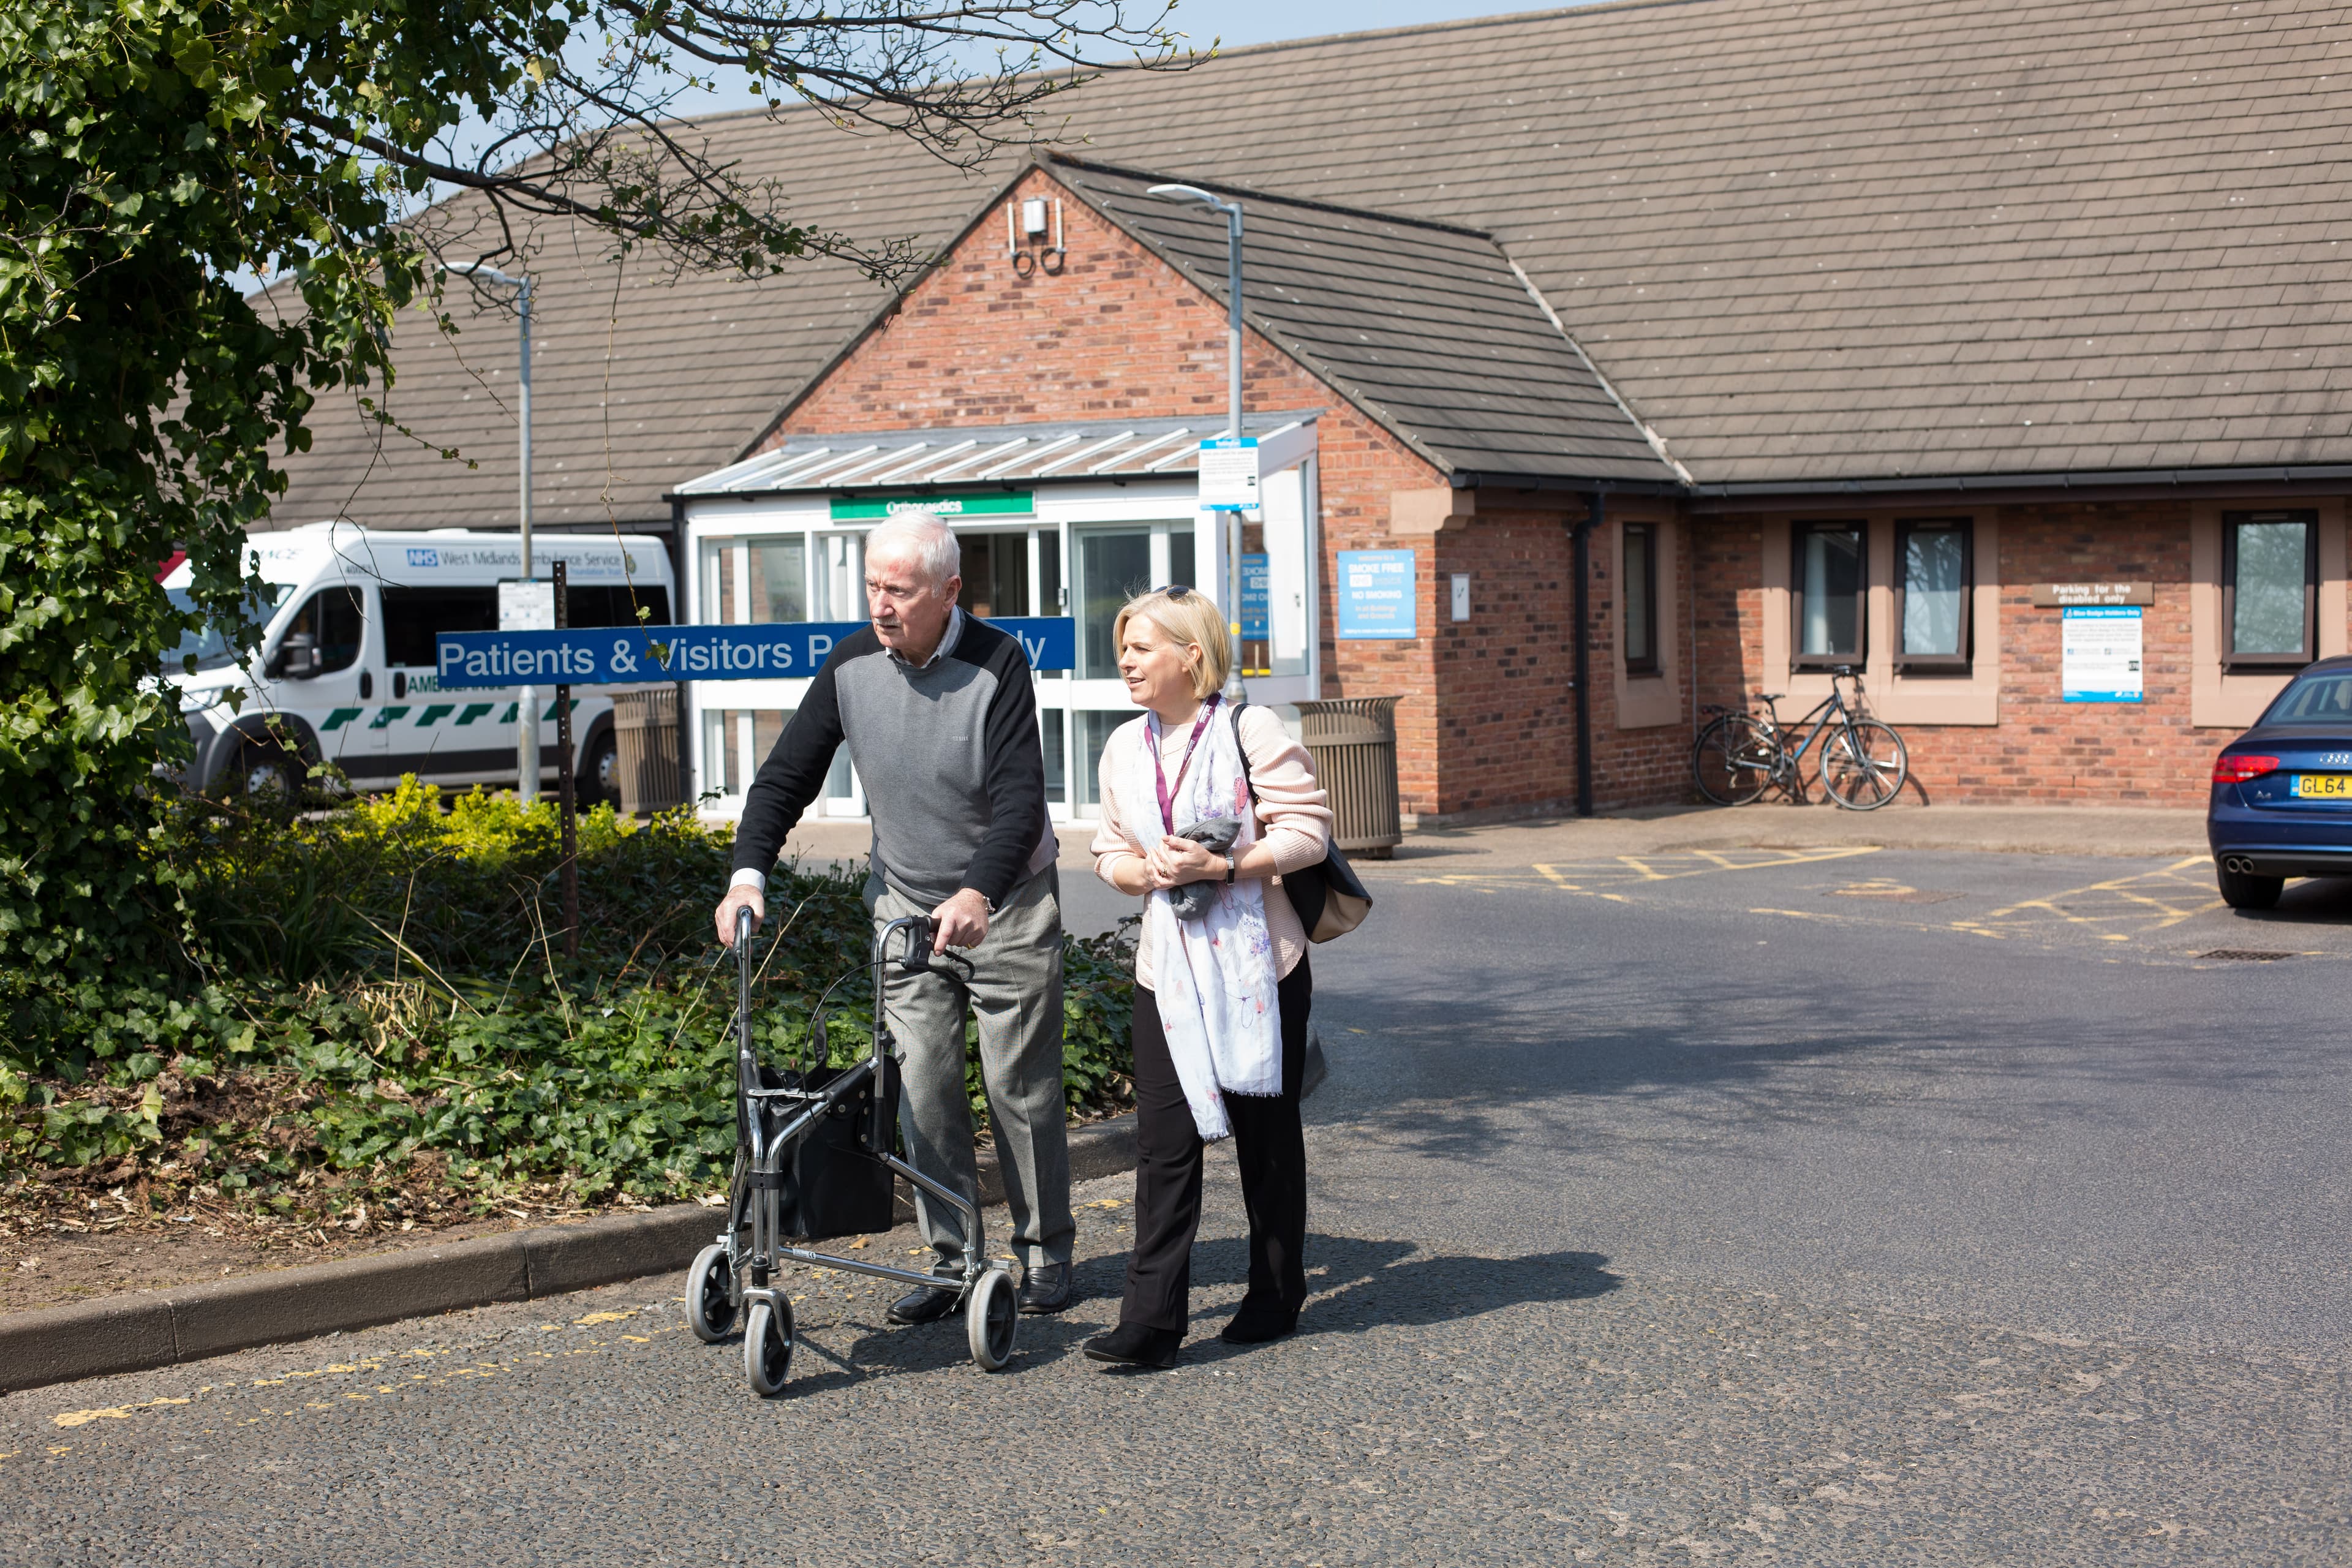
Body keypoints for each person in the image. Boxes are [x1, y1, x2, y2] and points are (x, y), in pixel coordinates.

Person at [712, 511, 1075, 1320]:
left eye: (900, 591)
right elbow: (784, 778)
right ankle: (955, 1262)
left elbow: (1020, 804)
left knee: (1018, 1086)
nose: (882, 604)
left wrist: (980, 891)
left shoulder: (998, 665)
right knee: (922, 1088)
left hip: (1005, 903)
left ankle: (1047, 1249)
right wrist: (746, 876)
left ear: (949, 592)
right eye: (874, 586)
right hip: (907, 904)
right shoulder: (850, 666)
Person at [1082, 586, 1333, 1368]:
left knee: (1265, 1135)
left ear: (1191, 656)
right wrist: (1142, 868)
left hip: (1261, 965)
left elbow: (1309, 834)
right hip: (1169, 973)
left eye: (1142, 646)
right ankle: (1151, 1321)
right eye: (1122, 646)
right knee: (1163, 1144)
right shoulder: (1124, 746)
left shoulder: (1249, 728)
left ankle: (1274, 1290)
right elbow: (1106, 850)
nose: (1125, 659)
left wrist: (1223, 864)